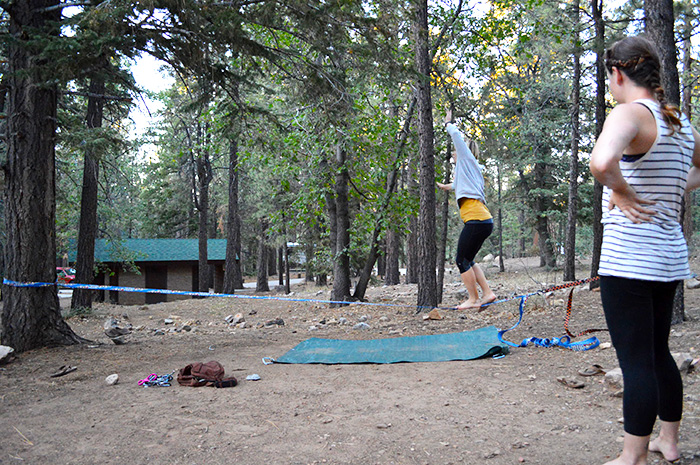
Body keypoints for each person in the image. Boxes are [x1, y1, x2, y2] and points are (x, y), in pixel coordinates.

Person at [589, 35, 700, 465]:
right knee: (658, 353)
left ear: (617, 74)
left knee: (635, 359)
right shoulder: (679, 122)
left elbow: (601, 163)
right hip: (667, 258)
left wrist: (622, 189)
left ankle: (631, 456)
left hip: (630, 259)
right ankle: (667, 442)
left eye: (609, 79)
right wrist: (671, 186)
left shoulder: (629, 113)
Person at [439, 111, 497, 310]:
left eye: (454, 152)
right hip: (482, 220)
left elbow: (456, 137)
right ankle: (487, 293)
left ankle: (473, 299)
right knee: (469, 259)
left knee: (461, 260)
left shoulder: (465, 158)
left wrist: (448, 123)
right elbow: (456, 185)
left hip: (476, 220)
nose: (453, 155)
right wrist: (441, 185)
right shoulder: (471, 170)